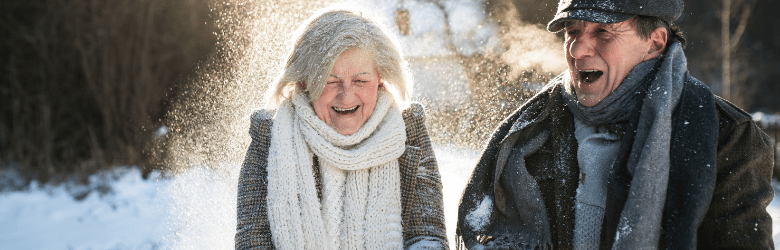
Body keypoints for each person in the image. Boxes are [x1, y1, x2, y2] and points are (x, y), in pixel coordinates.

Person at [456, 0, 774, 249]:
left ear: (655, 42)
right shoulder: (534, 132)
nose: (578, 49)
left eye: (603, 32)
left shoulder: (728, 136)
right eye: (572, 32)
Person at [235, 7, 448, 250]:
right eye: (330, 81)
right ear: (304, 81)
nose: (346, 98)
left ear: (380, 79)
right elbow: (253, 242)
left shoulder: (409, 132)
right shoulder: (270, 138)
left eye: (360, 81)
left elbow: (429, 236)